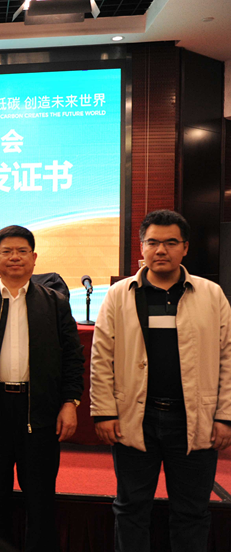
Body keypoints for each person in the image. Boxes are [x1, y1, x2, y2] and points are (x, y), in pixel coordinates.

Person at [90, 210, 231, 552]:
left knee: (192, 512)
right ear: (141, 247)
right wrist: (104, 412)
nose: (161, 250)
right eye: (152, 242)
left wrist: (225, 416)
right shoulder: (120, 294)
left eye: (170, 242)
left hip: (194, 419)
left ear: (185, 247)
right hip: (135, 418)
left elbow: (227, 358)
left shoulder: (211, 295)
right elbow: (101, 357)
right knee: (130, 508)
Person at [0, 225, 84, 552]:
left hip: (40, 413)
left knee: (41, 498)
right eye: (6, 251)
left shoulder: (55, 303)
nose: (14, 257)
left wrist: (70, 402)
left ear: (34, 258)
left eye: (22, 251)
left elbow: (73, 356)